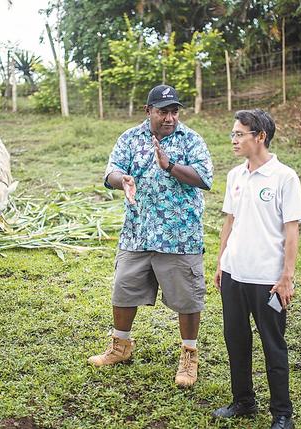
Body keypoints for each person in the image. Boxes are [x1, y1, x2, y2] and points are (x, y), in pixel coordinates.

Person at [88, 84, 213, 388]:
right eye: (163, 111)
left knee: (187, 298)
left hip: (179, 235)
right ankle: (121, 346)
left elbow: (204, 178)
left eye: (174, 111)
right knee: (124, 288)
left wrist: (169, 165)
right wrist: (123, 181)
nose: (170, 117)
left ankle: (189, 353)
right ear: (148, 111)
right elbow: (110, 172)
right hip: (138, 231)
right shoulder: (130, 138)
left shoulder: (191, 140)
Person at [212, 109, 301, 429]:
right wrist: (221, 262)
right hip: (234, 275)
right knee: (235, 340)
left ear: (260, 136)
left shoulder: (284, 177)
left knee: (273, 345)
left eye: (240, 134)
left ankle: (282, 414)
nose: (234, 140)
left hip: (268, 280)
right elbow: (230, 220)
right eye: (233, 134)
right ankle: (243, 401)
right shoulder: (235, 175)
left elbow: (291, 230)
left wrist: (286, 277)